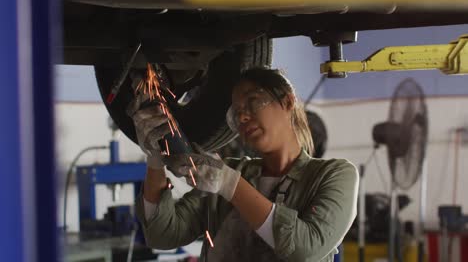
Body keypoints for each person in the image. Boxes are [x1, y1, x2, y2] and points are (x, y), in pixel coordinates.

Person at [131, 67, 359, 262]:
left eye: (253, 102)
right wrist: (155, 159)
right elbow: (163, 234)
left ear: (287, 101)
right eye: (236, 113)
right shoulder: (232, 171)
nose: (243, 117)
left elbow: (304, 248)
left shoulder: (334, 174)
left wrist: (229, 184)